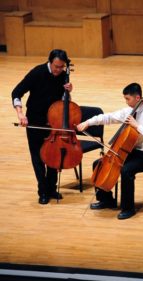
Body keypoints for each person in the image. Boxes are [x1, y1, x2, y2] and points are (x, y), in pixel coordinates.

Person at [77, 83, 143, 220]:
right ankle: (106, 199)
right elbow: (107, 117)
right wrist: (87, 123)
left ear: (138, 97)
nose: (126, 102)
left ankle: (128, 208)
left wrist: (137, 125)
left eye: (128, 99)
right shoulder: (128, 111)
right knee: (98, 163)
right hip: (129, 152)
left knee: (126, 171)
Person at [12, 49, 73, 205]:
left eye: (62, 67)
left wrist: (68, 92)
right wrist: (20, 114)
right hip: (35, 120)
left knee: (53, 156)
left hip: (53, 122)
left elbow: (63, 102)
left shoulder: (63, 75)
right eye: (56, 67)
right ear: (50, 62)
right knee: (38, 158)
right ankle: (43, 191)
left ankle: (51, 188)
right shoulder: (37, 73)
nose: (59, 70)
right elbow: (16, 93)